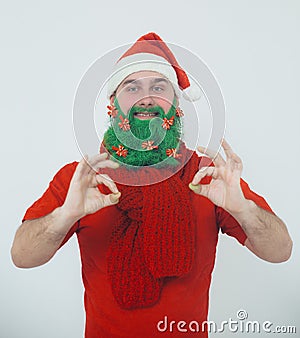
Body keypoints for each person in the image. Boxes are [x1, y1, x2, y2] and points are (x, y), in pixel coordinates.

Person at [11, 33, 292, 338]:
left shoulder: (207, 175)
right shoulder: (82, 178)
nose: (146, 98)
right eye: (132, 87)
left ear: (176, 105)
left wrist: (243, 209)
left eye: (159, 87)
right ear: (112, 104)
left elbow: (280, 252)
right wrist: (65, 215)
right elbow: (22, 257)